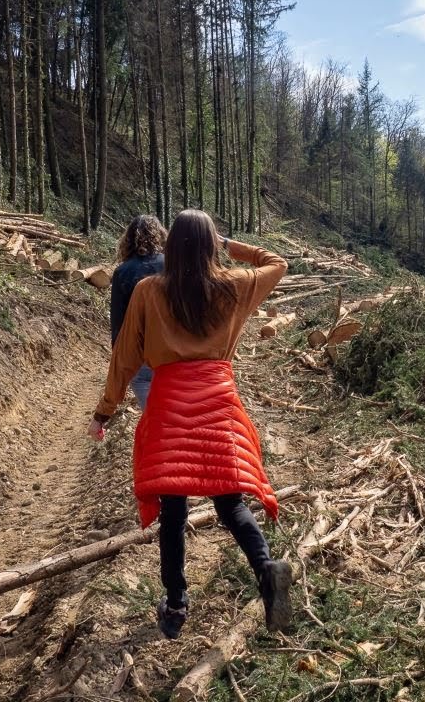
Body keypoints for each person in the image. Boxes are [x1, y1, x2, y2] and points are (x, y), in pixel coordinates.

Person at [89, 209, 292, 640]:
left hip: (168, 408)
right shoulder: (234, 286)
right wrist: (230, 245)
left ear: (171, 245)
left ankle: (177, 603)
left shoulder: (148, 291)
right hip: (218, 403)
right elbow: (278, 263)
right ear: (208, 244)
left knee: (174, 510)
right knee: (230, 504)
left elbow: (124, 358)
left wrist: (104, 411)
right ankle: (267, 569)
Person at [110, 214, 167, 411]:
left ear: (128, 239)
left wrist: (119, 368)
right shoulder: (172, 266)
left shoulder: (122, 272)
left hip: (139, 355)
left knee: (153, 416)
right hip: (173, 353)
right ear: (160, 235)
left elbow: (118, 322)